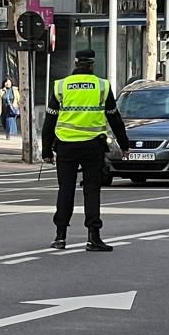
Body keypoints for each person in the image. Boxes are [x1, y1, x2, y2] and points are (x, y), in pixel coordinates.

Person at [42, 49, 132, 252]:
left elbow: (50, 120)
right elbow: (114, 118)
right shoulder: (102, 86)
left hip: (65, 145)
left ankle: (60, 236)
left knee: (66, 189)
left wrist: (46, 151)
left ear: (76, 63)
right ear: (92, 64)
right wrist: (124, 145)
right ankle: (94, 237)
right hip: (93, 146)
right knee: (92, 190)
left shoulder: (61, 86)